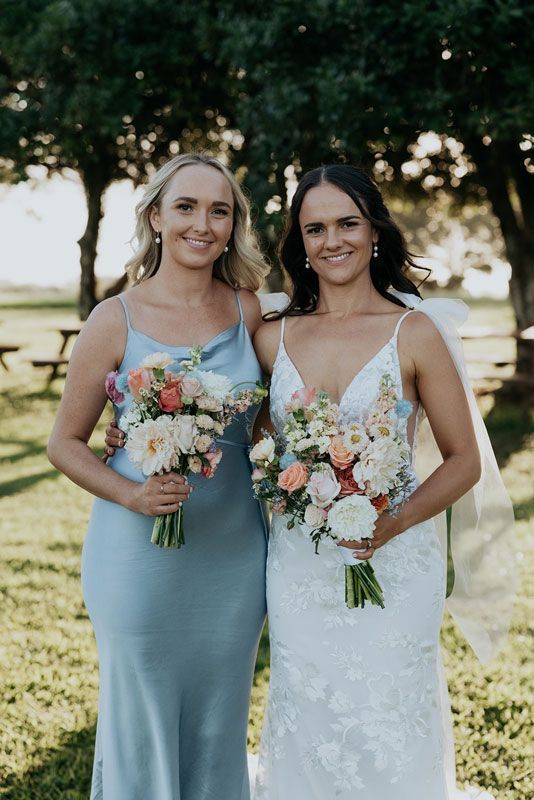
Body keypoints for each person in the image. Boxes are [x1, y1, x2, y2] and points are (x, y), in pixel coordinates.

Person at [251, 164, 514, 800]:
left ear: (374, 232)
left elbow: (461, 461)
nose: (332, 240)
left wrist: (388, 522)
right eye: (314, 228)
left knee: (391, 710)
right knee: (306, 705)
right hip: (301, 562)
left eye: (347, 223)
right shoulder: (270, 335)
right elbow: (254, 438)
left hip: (396, 561)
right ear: (300, 243)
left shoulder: (415, 331)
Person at [48, 152, 271, 800]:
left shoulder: (250, 312)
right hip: (136, 556)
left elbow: (265, 427)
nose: (202, 223)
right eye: (186, 206)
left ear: (233, 225)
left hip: (233, 555)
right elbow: (64, 443)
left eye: (219, 210)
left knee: (217, 720)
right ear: (155, 216)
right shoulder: (112, 318)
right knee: (140, 714)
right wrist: (132, 492)